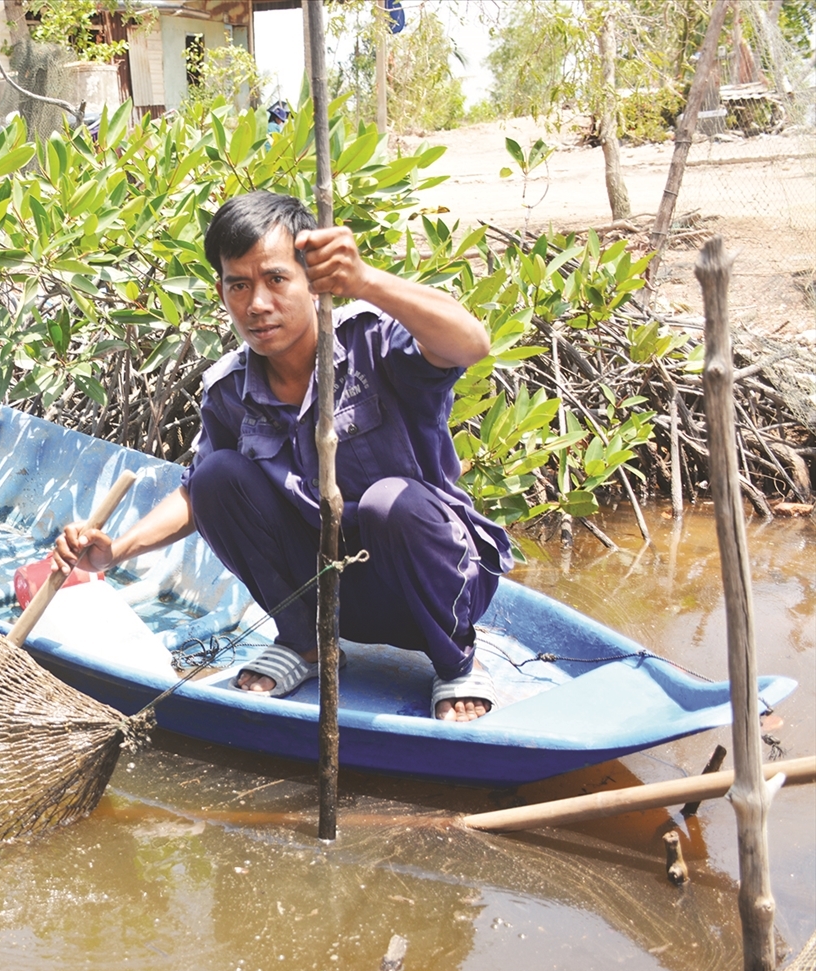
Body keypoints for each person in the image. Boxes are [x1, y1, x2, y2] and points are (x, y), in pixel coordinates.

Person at [53, 191, 513, 722]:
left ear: (312, 280)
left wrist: (364, 280)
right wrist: (117, 551)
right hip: (334, 601)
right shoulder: (228, 390)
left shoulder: (371, 341)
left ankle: (457, 661)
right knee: (217, 477)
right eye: (238, 284)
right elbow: (195, 494)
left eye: (276, 279)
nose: (256, 305)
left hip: (436, 584)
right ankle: (306, 644)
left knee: (390, 503)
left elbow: (471, 344)